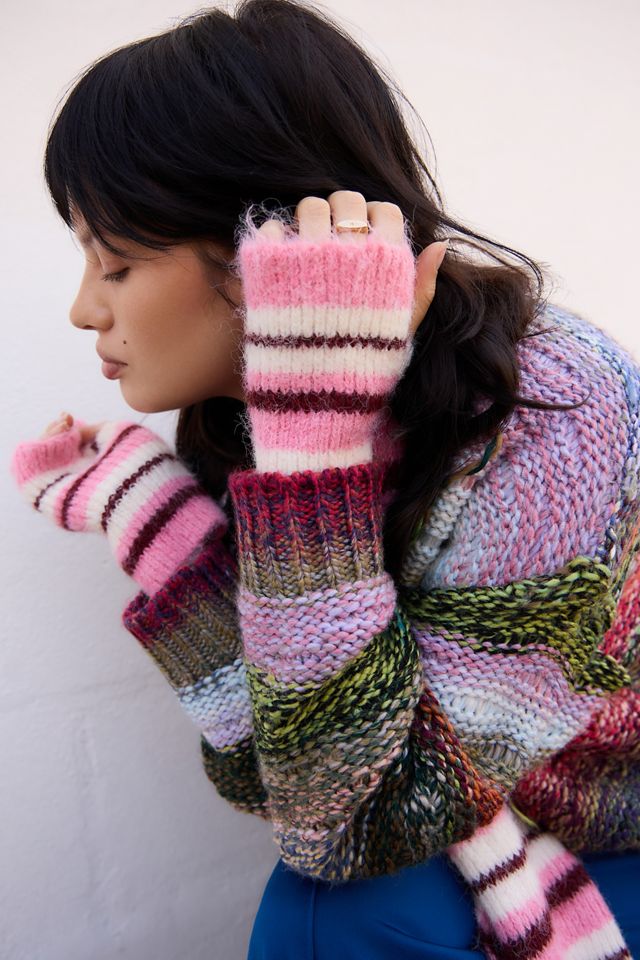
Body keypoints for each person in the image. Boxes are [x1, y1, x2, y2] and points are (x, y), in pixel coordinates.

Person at [9, 1, 640, 957]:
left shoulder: (551, 404)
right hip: (486, 818)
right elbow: (275, 774)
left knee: (333, 913)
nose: (82, 309)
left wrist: (314, 444)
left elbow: (355, 819)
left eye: (119, 262)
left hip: (616, 827)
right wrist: (167, 531)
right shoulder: (242, 422)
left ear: (263, 248)